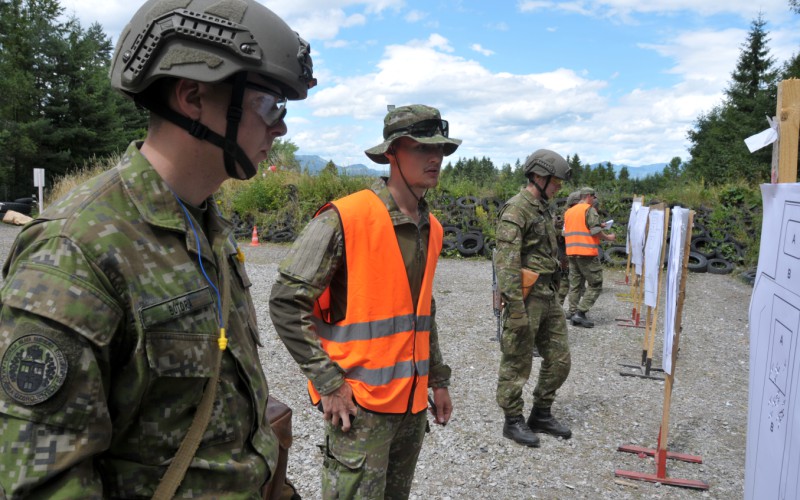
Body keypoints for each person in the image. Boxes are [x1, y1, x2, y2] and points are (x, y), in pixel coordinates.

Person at [0, 0, 316, 497]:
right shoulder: (75, 248)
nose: (280, 127)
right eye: (269, 105)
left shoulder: (210, 228)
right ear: (193, 97)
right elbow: (42, 478)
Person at [269, 104, 458, 499]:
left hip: (410, 409)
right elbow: (286, 302)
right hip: (359, 408)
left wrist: (437, 381)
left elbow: (423, 311)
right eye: (421, 147)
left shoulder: (431, 227)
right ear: (391, 154)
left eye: (440, 148)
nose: (435, 157)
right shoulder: (345, 218)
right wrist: (329, 384)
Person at [495, 149, 573, 448]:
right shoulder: (517, 210)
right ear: (538, 176)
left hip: (547, 293)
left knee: (560, 359)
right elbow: (507, 264)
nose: (558, 187)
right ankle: (513, 419)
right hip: (525, 296)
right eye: (555, 181)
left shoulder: (543, 207)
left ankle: (541, 412)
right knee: (517, 361)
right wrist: (514, 309)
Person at [564, 187, 617, 328]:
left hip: (571, 252)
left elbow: (572, 230)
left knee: (575, 284)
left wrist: (599, 225)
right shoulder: (589, 209)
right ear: (588, 196)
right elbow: (595, 232)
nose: (595, 200)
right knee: (596, 283)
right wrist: (608, 237)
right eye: (594, 197)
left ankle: (572, 311)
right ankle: (580, 313)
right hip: (586, 253)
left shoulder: (569, 212)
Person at [555, 190, 583, 306]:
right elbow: (556, 232)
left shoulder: (576, 214)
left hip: (573, 253)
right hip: (564, 254)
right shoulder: (566, 215)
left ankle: (568, 309)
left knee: (573, 284)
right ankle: (558, 308)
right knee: (564, 283)